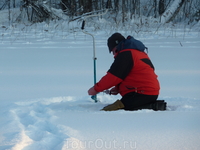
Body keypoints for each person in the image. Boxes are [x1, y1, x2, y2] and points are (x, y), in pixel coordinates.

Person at [88, 33, 166, 111]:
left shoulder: (126, 54)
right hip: (149, 92)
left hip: (140, 93)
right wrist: (118, 88)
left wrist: (96, 89)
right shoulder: (139, 53)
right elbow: (134, 74)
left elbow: (113, 77)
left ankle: (154, 106)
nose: (114, 55)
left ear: (116, 47)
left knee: (112, 109)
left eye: (113, 51)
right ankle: (149, 104)